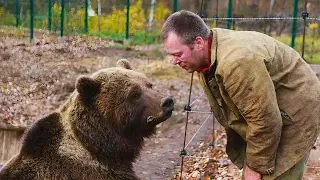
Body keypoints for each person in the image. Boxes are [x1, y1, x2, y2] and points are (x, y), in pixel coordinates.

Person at [162, 10, 320, 180]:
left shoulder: (236, 63)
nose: (174, 61)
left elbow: (265, 121)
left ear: (199, 42)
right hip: (274, 109)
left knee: (274, 173)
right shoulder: (205, 55)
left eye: (178, 54)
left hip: (297, 109)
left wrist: (256, 166)